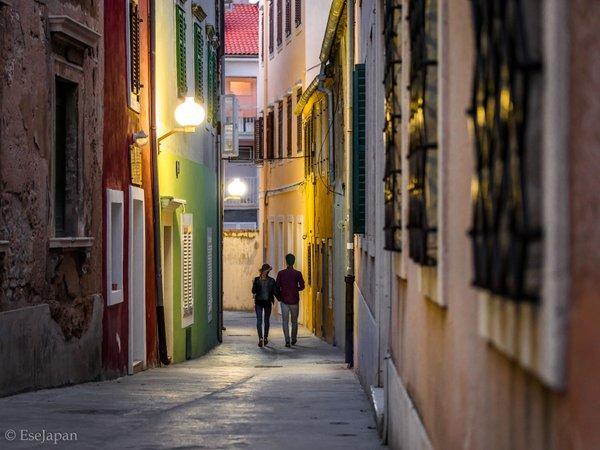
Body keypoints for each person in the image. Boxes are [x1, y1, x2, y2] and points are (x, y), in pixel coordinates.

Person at [276, 254, 305, 347]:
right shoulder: (297, 273)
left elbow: (277, 287)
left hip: (284, 301)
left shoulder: (281, 273)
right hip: (294, 301)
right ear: (294, 261)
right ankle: (294, 339)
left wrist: (280, 296)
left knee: (285, 321)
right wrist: (296, 289)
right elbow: (302, 286)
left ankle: (287, 340)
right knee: (294, 321)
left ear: (286, 261)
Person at [251, 263, 279, 347]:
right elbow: (253, 291)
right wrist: (254, 284)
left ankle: (265, 337)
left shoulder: (271, 281)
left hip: (267, 303)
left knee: (266, 321)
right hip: (258, 303)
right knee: (259, 321)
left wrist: (281, 297)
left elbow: (275, 292)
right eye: (266, 271)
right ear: (262, 271)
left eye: (267, 271)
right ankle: (261, 338)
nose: (266, 272)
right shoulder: (256, 280)